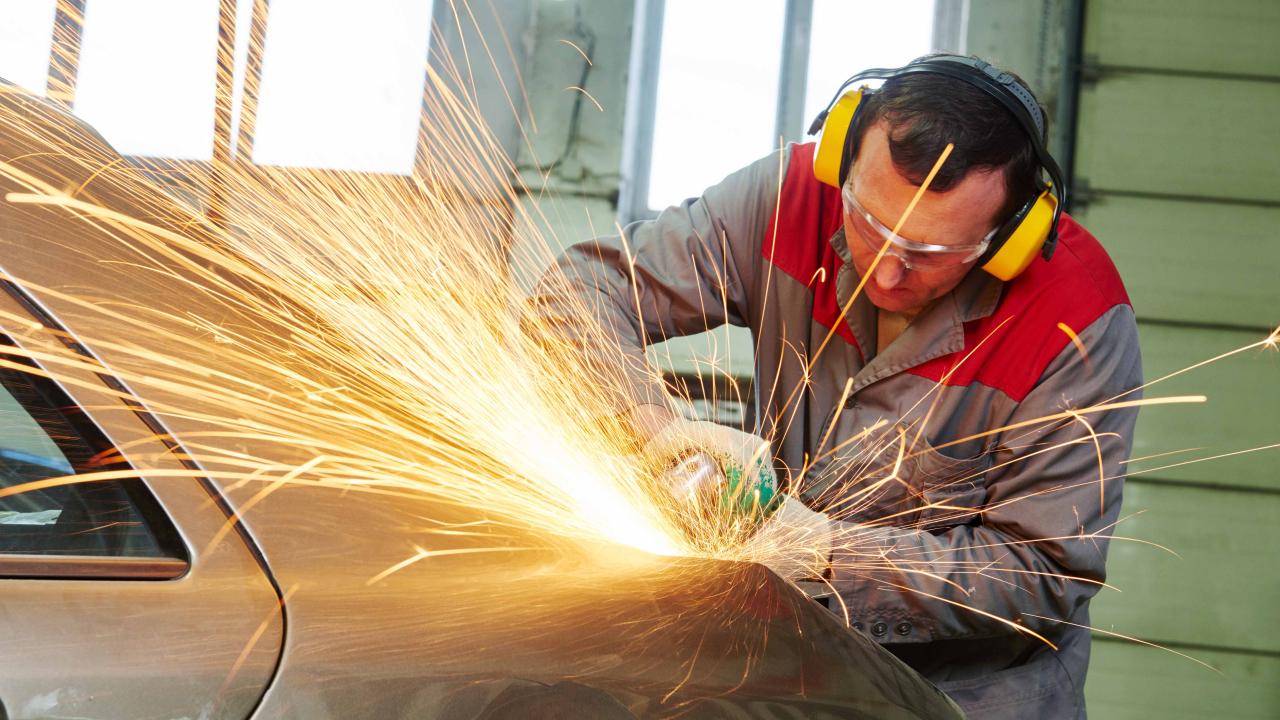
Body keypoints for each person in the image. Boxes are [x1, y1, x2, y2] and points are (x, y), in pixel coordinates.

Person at [528, 54, 1141, 719]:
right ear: (842, 161)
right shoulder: (792, 197)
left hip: (965, 700)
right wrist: (656, 429)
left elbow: (1040, 575)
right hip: (782, 673)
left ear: (1009, 239)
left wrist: (826, 555)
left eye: (932, 254)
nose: (885, 270)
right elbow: (579, 293)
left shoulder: (1075, 320)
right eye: (869, 223)